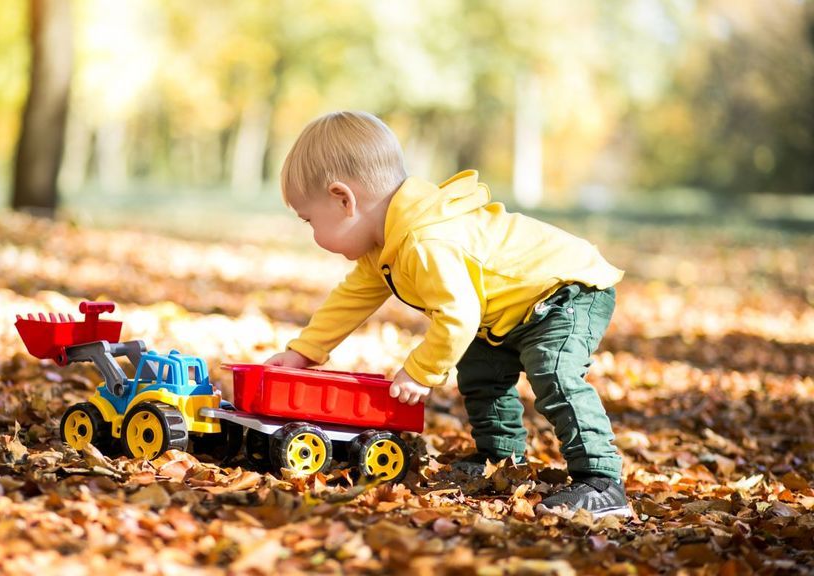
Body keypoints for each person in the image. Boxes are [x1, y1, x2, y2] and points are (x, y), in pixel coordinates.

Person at [264, 110, 631, 518]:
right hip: (508, 311)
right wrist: (304, 352)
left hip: (565, 291)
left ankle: (601, 480)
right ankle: (500, 459)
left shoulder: (425, 240)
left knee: (552, 371)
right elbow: (351, 298)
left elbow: (458, 316)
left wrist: (420, 369)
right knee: (480, 372)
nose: (311, 233)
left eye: (309, 220)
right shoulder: (387, 244)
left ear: (344, 200)